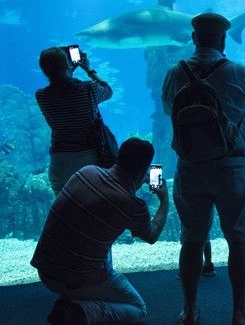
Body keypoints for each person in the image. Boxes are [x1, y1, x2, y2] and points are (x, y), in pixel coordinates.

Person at [161, 12, 245, 325]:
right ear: (223, 39)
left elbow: (169, 109)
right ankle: (240, 313)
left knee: (191, 239)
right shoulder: (237, 70)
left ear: (194, 39)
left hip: (190, 165)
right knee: (238, 238)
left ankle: (190, 310)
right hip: (231, 163)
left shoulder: (174, 71)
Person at [30, 138, 169, 324]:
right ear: (144, 171)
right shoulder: (133, 205)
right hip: (73, 279)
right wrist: (164, 201)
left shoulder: (86, 171)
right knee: (138, 308)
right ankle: (83, 310)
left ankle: (75, 296)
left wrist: (133, 182)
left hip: (45, 269)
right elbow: (151, 236)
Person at [36, 47, 112, 196]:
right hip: (88, 162)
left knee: (66, 215)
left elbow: (60, 83)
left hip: (59, 164)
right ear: (67, 66)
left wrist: (68, 69)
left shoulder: (42, 96)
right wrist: (88, 69)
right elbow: (108, 90)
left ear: (44, 70)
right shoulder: (88, 89)